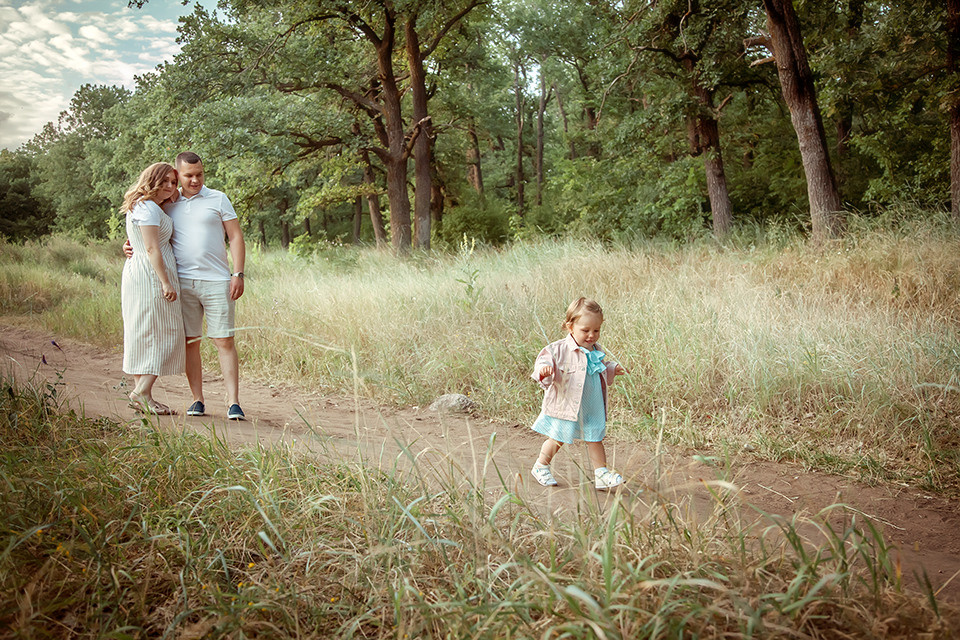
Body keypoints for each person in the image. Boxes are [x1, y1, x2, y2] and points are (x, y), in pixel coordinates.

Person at [124, 151, 247, 420]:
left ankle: (233, 403)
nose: (195, 180)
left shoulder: (218, 198)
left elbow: (235, 236)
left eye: (199, 174)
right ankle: (197, 400)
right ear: (177, 175)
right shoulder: (166, 203)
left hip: (217, 280)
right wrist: (129, 246)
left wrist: (237, 273)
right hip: (181, 282)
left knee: (224, 340)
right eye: (188, 175)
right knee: (191, 342)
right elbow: (147, 233)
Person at [529, 297, 628, 489]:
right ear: (570, 326)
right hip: (567, 405)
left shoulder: (595, 350)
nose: (591, 335)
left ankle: (601, 473)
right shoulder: (558, 349)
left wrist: (611, 368)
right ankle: (541, 466)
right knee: (558, 437)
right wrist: (545, 370)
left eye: (596, 330)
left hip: (591, 404)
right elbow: (544, 362)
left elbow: (597, 370)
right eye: (585, 330)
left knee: (595, 437)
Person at [121, 162, 185, 414]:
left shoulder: (146, 205)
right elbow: (150, 248)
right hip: (151, 276)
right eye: (165, 181)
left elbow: (139, 243)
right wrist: (165, 281)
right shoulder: (147, 208)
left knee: (145, 332)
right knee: (163, 333)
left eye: (173, 181)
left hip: (140, 272)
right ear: (153, 180)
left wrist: (173, 192)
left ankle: (144, 397)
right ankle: (139, 392)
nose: (171, 187)